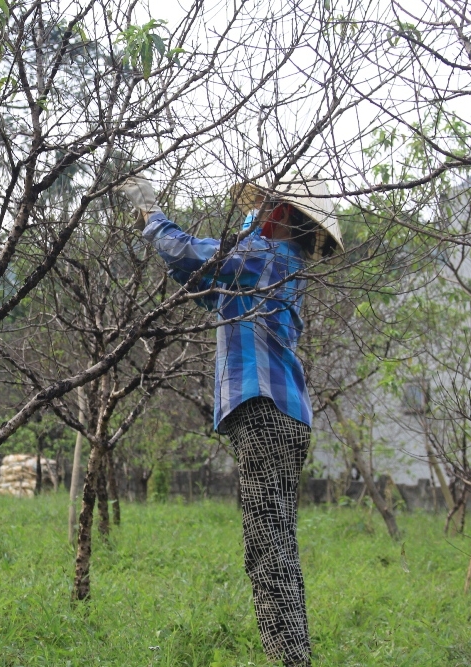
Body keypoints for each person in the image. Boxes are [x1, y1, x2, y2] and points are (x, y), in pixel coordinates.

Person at [115, 175, 343, 667]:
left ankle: (291, 661)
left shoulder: (266, 258)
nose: (250, 216)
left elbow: (196, 257)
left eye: (260, 210)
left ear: (278, 216)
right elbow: (203, 285)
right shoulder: (277, 266)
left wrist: (152, 214)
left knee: (267, 549)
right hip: (282, 416)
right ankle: (295, 656)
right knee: (276, 542)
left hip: (263, 411)